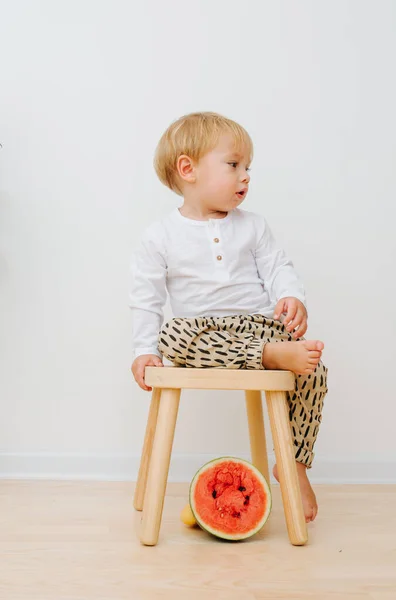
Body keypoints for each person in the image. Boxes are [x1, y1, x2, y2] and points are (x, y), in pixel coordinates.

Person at [129, 112, 328, 523]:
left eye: (247, 168)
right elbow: (146, 298)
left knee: (315, 371)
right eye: (234, 165)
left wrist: (291, 296)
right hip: (202, 335)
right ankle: (267, 354)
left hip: (257, 327)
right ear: (188, 169)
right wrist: (144, 350)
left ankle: (295, 465)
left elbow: (278, 267)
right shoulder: (159, 236)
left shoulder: (253, 227)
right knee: (174, 335)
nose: (245, 176)